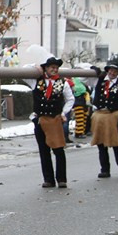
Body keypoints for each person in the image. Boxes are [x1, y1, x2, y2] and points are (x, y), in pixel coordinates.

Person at [22, 57, 74, 188]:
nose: (54, 69)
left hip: (54, 119)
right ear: (45, 68)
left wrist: (63, 113)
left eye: (56, 67)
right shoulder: (36, 81)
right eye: (51, 67)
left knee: (58, 149)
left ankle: (61, 179)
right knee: (43, 150)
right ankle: (48, 179)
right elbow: (23, 71)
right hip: (40, 119)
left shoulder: (63, 82)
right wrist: (35, 66)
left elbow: (70, 99)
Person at [89, 63, 118, 179]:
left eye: (115, 71)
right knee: (100, 143)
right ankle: (105, 170)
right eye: (110, 70)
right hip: (99, 114)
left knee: (117, 142)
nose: (112, 73)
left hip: (113, 114)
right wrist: (92, 70)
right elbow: (82, 79)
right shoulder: (99, 80)